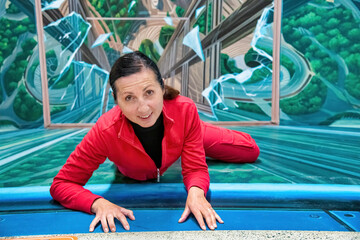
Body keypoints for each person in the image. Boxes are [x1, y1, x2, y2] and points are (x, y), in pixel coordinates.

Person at [50, 51, 260, 233]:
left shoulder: (185, 110)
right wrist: (97, 203)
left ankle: (196, 134)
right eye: (129, 98)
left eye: (149, 92)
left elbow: (195, 168)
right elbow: (61, 184)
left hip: (183, 128)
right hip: (146, 154)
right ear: (116, 100)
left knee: (250, 151)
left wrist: (196, 193)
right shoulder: (105, 131)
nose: (143, 109)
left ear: (162, 87)